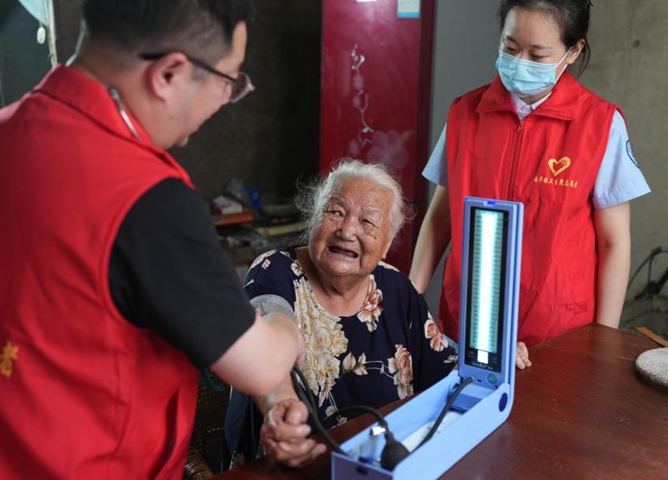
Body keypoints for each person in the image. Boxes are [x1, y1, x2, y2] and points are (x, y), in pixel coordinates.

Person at [0, 1, 305, 478]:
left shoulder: (10, 127)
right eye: (229, 82)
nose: (226, 100)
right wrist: (283, 317)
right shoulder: (144, 197)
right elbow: (262, 366)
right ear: (169, 74)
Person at [410, 0, 650, 369]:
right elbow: (441, 217)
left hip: (559, 335)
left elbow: (614, 242)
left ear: (573, 51)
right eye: (510, 47)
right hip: (472, 326)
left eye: (538, 55)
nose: (520, 61)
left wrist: (603, 339)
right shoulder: (464, 113)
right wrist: (409, 298)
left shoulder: (600, 126)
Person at [224, 159, 458, 467]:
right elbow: (270, 324)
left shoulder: (397, 289)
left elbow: (448, 374)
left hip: (384, 465)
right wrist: (281, 402)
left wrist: (491, 361)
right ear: (314, 219)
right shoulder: (274, 270)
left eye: (368, 221)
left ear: (386, 244)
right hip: (296, 465)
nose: (347, 230)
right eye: (335, 212)